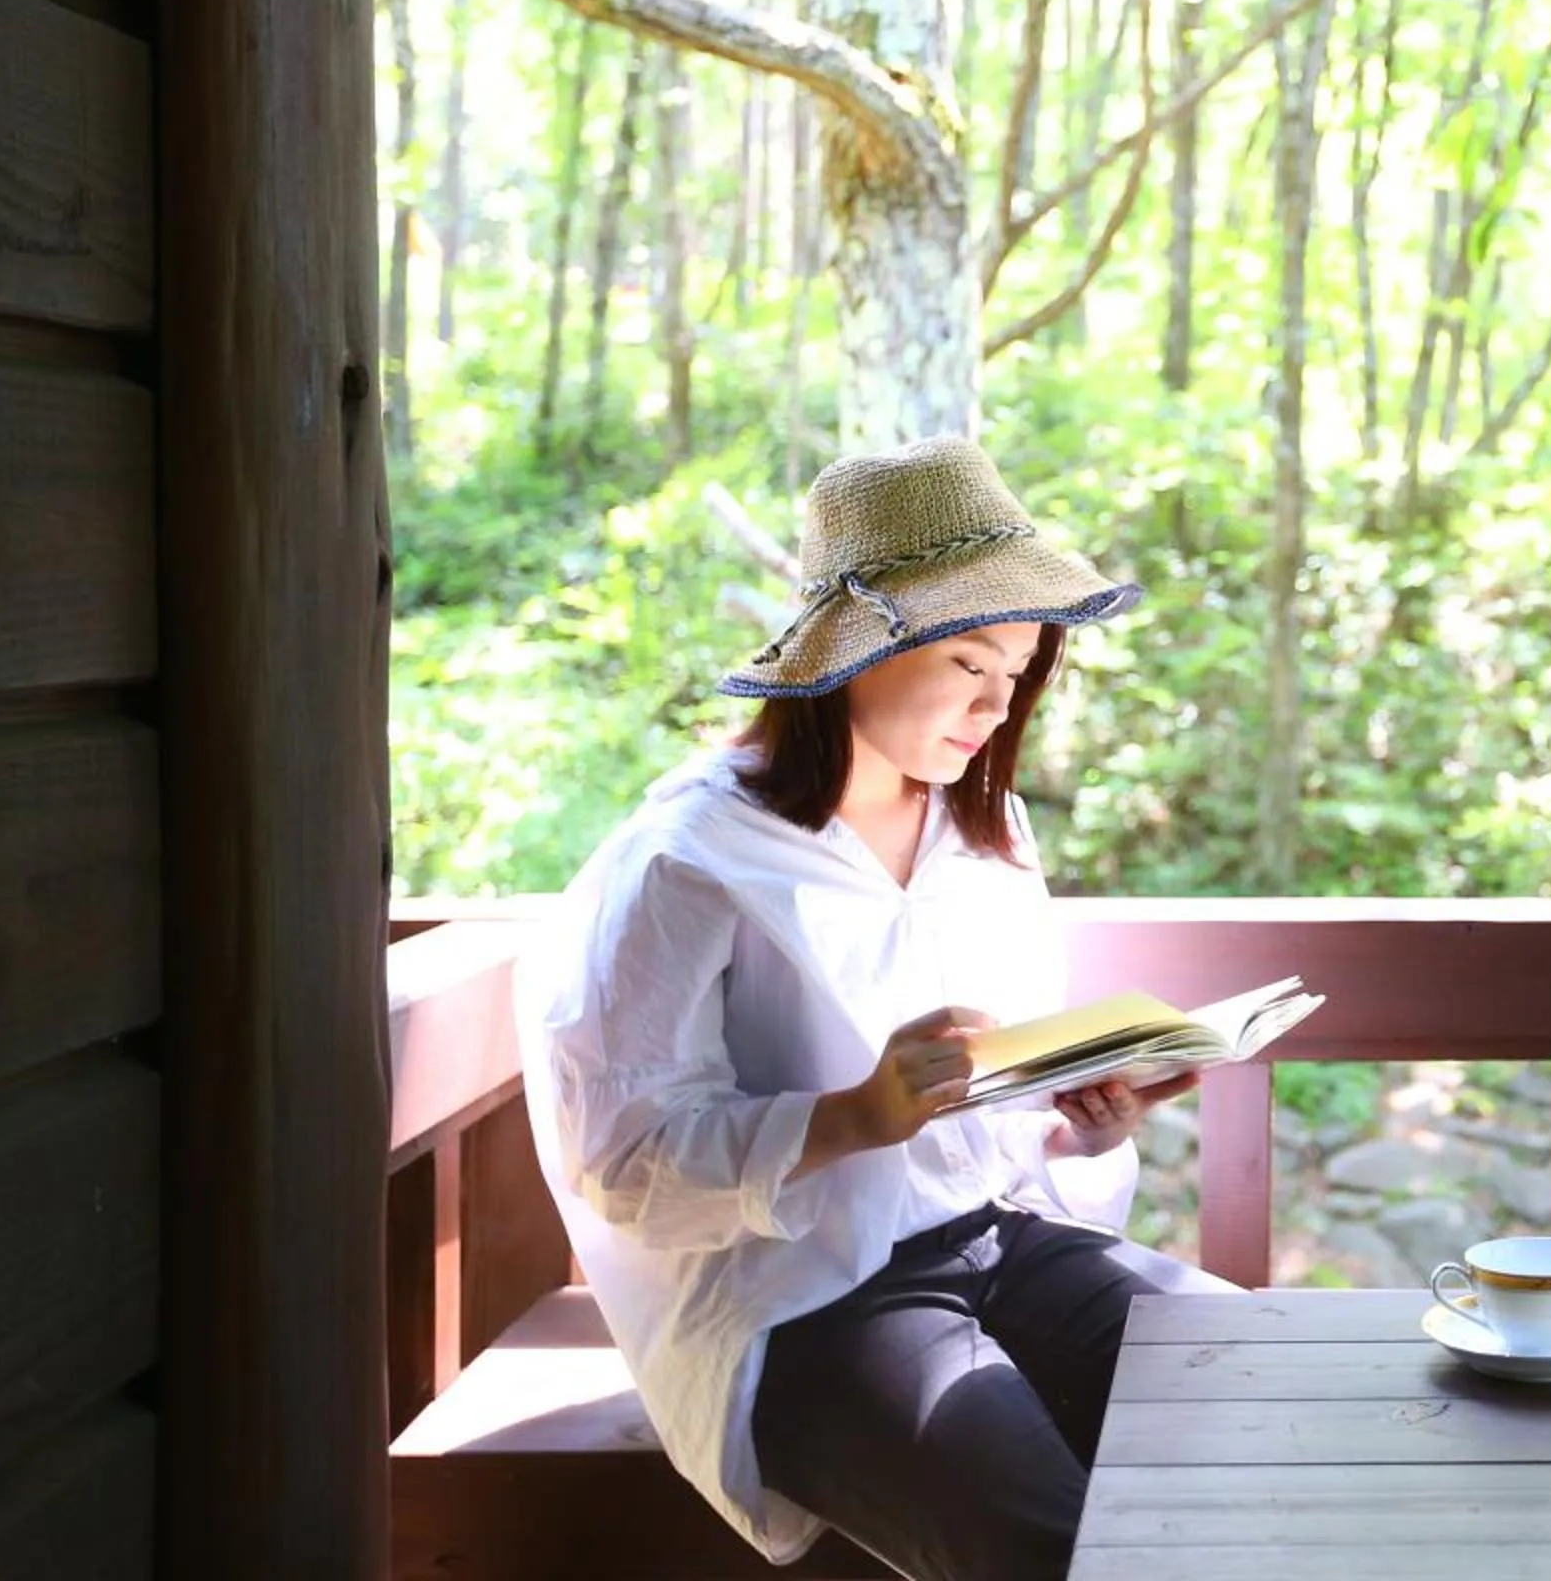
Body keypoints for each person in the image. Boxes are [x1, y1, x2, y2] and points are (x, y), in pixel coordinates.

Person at [516, 435, 1234, 1581]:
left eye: (1020, 676)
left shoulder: (981, 836)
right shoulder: (687, 859)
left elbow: (993, 1135)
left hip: (1001, 1240)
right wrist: (854, 1112)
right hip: (803, 1294)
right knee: (1047, 1540)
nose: (998, 710)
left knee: (1260, 1394)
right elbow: (624, 1164)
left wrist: (1079, 1127)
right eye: (970, 668)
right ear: (860, 648)